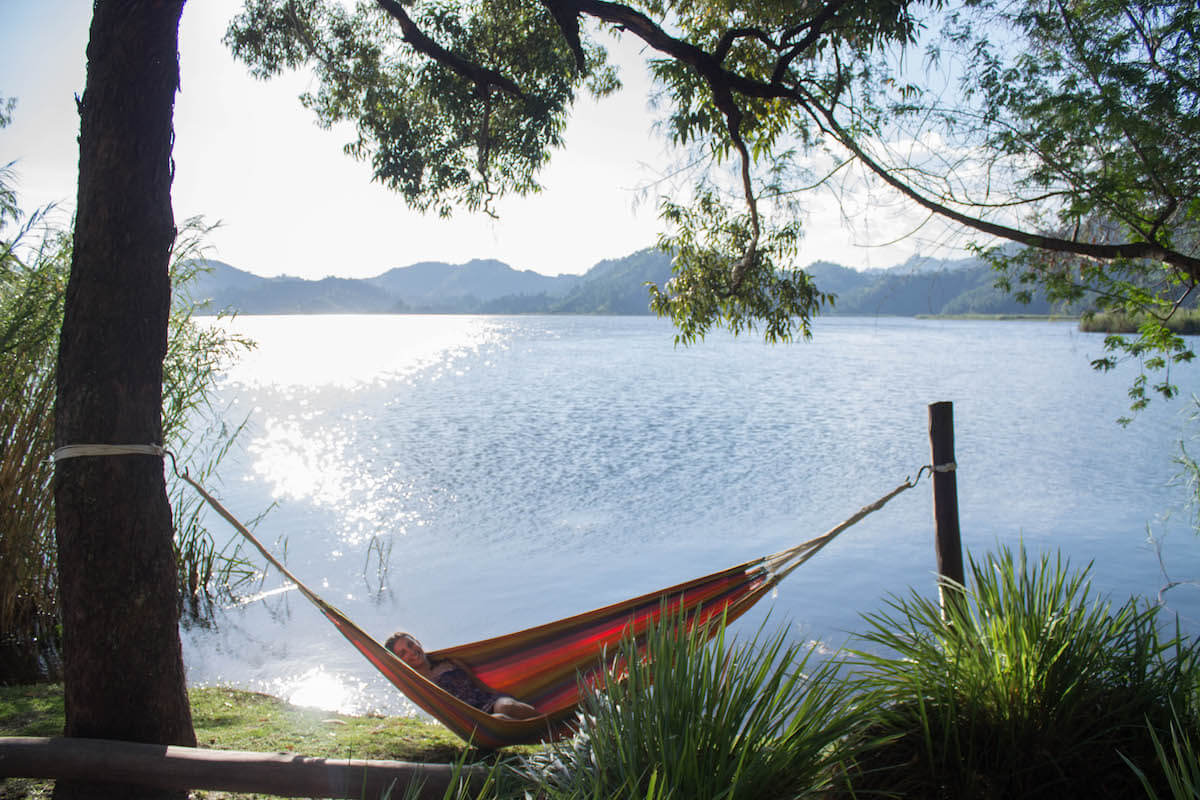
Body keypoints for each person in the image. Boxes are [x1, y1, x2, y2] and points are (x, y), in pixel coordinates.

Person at [384, 631, 540, 720]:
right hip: (471, 720)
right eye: (403, 653)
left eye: (411, 644)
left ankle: (550, 723)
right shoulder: (418, 684)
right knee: (499, 719)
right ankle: (540, 734)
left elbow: (480, 686)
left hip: (487, 702)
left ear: (417, 641)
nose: (411, 651)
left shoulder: (450, 661)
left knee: (506, 706)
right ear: (399, 661)